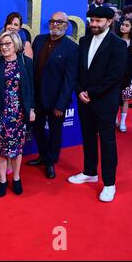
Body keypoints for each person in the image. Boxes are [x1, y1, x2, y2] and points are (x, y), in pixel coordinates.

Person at [68, 6, 127, 203]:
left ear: (109, 22)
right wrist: (79, 91)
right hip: (85, 99)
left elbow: (115, 76)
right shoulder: (84, 41)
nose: (93, 24)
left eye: (98, 21)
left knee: (108, 142)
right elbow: (78, 71)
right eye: (92, 20)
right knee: (88, 137)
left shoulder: (118, 44)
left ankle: (109, 183)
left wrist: (90, 92)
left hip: (105, 101)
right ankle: (90, 171)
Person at [27, 12, 79, 179]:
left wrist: (61, 104)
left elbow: (70, 79)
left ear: (66, 25)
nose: (55, 24)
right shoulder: (39, 40)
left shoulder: (72, 48)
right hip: (37, 98)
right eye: (52, 21)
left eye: (59, 22)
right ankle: (43, 155)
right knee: (38, 129)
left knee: (55, 132)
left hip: (57, 100)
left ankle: (51, 162)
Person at [0, 31, 35, 197]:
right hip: (1, 112)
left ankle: (16, 177)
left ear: (16, 44)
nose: (4, 47)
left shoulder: (26, 62)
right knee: (1, 149)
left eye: (8, 44)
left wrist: (32, 109)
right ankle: (2, 180)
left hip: (19, 113)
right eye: (2, 44)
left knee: (16, 149)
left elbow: (31, 88)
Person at [116, 19, 132, 132]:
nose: (123, 26)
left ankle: (123, 122)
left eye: (126, 25)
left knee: (125, 99)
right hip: (115, 75)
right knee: (113, 99)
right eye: (122, 24)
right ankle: (114, 120)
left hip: (129, 75)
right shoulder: (115, 39)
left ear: (131, 28)